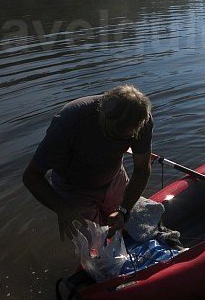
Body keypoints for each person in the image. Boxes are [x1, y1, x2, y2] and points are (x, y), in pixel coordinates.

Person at [23, 84, 153, 241]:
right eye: (111, 133)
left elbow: (141, 169)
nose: (113, 140)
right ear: (102, 113)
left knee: (125, 227)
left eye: (122, 138)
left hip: (114, 179)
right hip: (74, 190)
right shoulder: (70, 120)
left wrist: (124, 210)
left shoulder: (140, 120)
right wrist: (61, 208)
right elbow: (31, 176)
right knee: (95, 244)